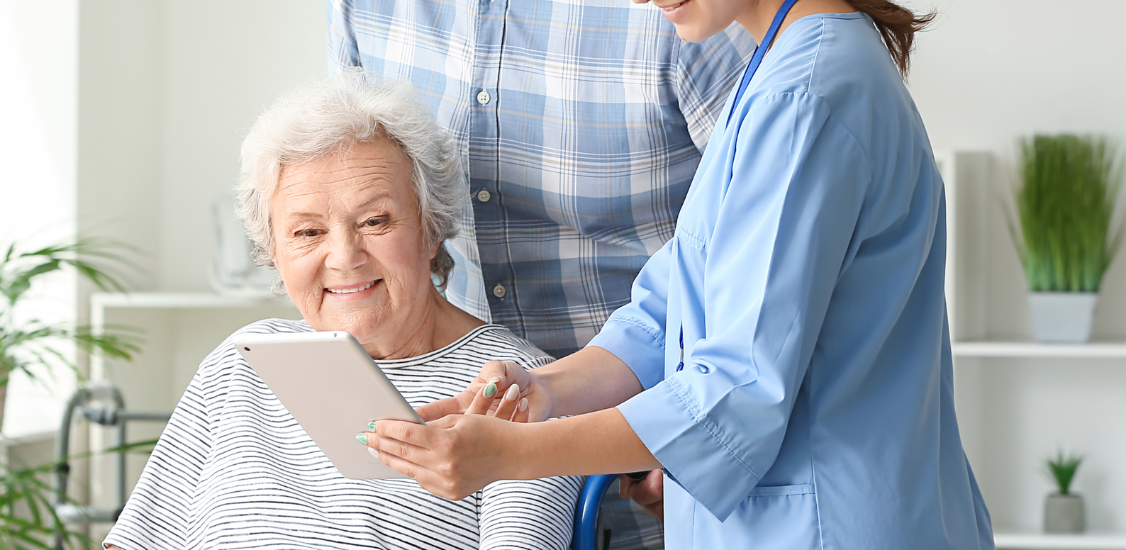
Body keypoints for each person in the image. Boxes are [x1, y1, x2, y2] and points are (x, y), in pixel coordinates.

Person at [358, 0, 995, 547]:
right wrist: (541, 392)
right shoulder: (778, 72)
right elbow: (669, 314)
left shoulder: (805, 97)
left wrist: (510, 455)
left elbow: (734, 395)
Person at [329, 2, 753, 543]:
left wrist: (682, 440)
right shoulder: (361, 8)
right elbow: (346, 185)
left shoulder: (683, 11)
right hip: (461, 459)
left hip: (661, 458)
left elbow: (752, 255)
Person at [103, 70, 578, 550]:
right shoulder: (239, 363)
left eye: (375, 221)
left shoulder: (521, 388)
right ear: (274, 251)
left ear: (431, 230)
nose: (344, 256)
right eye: (307, 232)